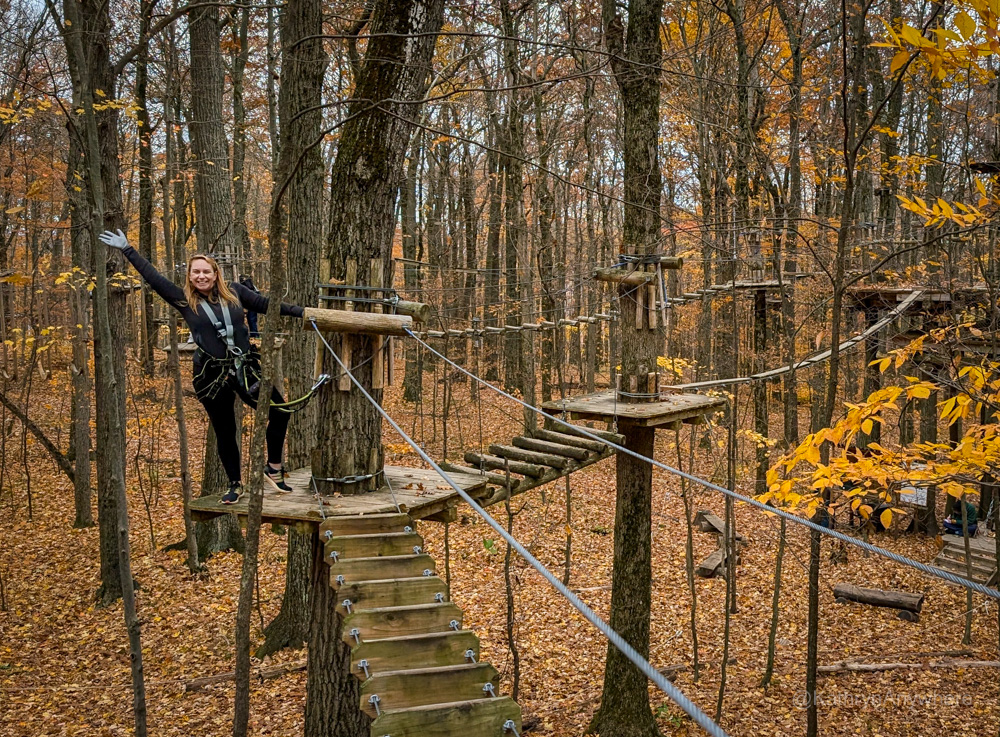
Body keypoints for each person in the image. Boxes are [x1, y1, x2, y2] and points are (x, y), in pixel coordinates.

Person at [99, 229, 299, 504]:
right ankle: (234, 483)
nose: (201, 276)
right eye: (196, 272)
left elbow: (268, 305)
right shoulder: (184, 300)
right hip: (210, 375)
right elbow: (154, 279)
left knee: (280, 411)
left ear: (216, 274)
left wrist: (304, 313)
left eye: (206, 271)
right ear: (190, 276)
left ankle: (274, 469)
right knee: (225, 429)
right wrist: (127, 249)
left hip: (244, 367)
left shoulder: (237, 294)